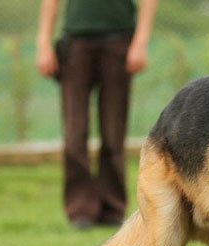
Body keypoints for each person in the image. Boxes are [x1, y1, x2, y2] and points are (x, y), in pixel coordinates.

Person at [36, 0, 158, 229]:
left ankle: (112, 209)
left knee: (113, 135)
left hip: (119, 42)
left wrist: (140, 42)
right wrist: (43, 43)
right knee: (74, 134)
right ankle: (80, 211)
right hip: (75, 44)